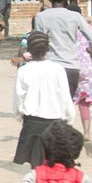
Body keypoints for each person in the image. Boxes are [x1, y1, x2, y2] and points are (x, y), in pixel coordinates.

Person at [32, 0, 92, 94]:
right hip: (71, 68)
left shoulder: (41, 17)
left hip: (49, 67)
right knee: (65, 106)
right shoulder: (75, 16)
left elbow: (37, 43)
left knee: (51, 105)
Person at [12, 34, 71, 167]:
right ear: (48, 49)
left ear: (29, 50)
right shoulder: (58, 69)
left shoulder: (24, 70)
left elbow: (18, 97)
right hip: (55, 122)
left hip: (32, 122)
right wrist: (69, 118)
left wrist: (18, 115)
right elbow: (65, 96)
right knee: (53, 162)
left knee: (35, 164)